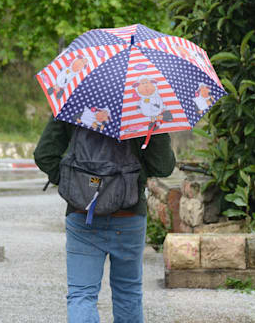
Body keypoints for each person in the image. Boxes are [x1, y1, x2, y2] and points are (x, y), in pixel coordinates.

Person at [34, 117, 175, 323]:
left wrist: (74, 185)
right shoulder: (144, 110)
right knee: (128, 292)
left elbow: (44, 155)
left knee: (81, 294)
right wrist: (157, 125)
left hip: (82, 214)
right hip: (129, 215)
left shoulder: (75, 102)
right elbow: (163, 167)